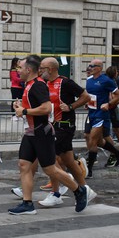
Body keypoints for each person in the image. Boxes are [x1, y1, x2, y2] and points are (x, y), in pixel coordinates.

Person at [10, 55, 93, 215]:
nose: (17, 71)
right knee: (24, 165)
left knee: (50, 169)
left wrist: (25, 111)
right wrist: (20, 106)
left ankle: (78, 190)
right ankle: (27, 203)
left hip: (42, 132)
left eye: (19, 68)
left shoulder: (38, 85)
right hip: (31, 132)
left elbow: (47, 108)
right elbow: (35, 106)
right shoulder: (29, 85)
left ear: (28, 69)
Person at [37, 57, 92, 207]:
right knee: (69, 161)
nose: (40, 70)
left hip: (64, 126)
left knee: (50, 158)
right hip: (53, 125)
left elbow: (86, 96)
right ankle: (85, 188)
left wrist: (71, 106)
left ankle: (56, 193)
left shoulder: (65, 83)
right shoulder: (45, 84)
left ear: (50, 69)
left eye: (42, 68)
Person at [85, 59, 119, 178]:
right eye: (89, 65)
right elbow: (89, 94)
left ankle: (89, 170)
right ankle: (117, 153)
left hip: (101, 114)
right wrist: (87, 102)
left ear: (99, 68)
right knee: (98, 140)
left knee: (92, 140)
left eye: (92, 66)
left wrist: (109, 104)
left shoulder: (106, 80)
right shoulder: (89, 80)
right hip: (91, 112)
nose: (89, 68)